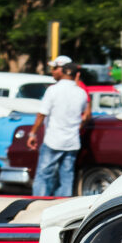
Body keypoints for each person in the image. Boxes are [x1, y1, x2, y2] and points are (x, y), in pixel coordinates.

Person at [36, 54, 88, 197]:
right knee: (66, 177)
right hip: (72, 141)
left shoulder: (53, 90)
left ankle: (38, 202)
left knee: (43, 175)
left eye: (54, 68)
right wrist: (77, 127)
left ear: (62, 70)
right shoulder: (81, 91)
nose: (52, 71)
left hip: (53, 140)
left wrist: (32, 133)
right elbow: (87, 115)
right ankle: (63, 204)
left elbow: (42, 114)